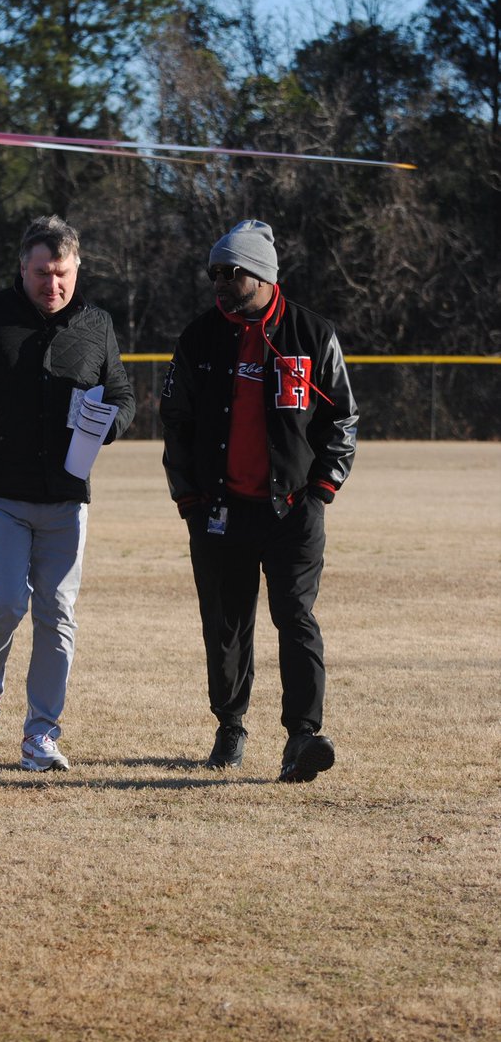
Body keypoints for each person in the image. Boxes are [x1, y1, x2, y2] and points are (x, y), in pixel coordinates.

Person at [0, 214, 135, 772]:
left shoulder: (98, 325)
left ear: (76, 268)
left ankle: (41, 734)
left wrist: (106, 423)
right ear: (23, 268)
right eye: (42, 272)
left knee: (58, 614)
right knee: (7, 601)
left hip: (66, 498)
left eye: (62, 273)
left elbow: (123, 393)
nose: (53, 284)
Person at [159, 220, 358, 782]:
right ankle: (230, 726)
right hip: (220, 510)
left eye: (233, 273)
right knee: (226, 623)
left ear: (264, 276)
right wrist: (191, 500)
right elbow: (176, 420)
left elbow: (341, 417)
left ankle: (303, 737)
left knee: (294, 617)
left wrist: (321, 490)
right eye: (215, 273)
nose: (221, 283)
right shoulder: (199, 338)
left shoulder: (311, 334)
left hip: (292, 508)